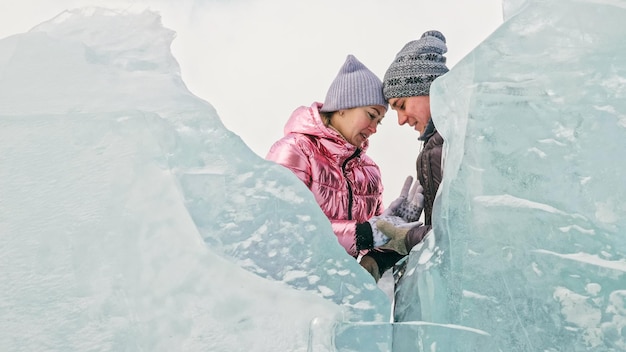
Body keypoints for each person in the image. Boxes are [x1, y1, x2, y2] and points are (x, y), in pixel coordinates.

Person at [265, 54, 419, 282]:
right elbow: (282, 229)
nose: (374, 128)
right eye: (371, 115)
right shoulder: (295, 151)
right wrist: (364, 233)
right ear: (342, 107)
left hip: (344, 297)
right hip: (292, 295)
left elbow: (371, 242)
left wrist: (391, 235)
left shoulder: (369, 171)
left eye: (379, 121)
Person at [376, 30, 450, 256]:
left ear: (427, 87)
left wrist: (406, 237)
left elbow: (463, 235)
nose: (400, 121)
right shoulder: (437, 145)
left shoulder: (459, 140)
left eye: (401, 105)